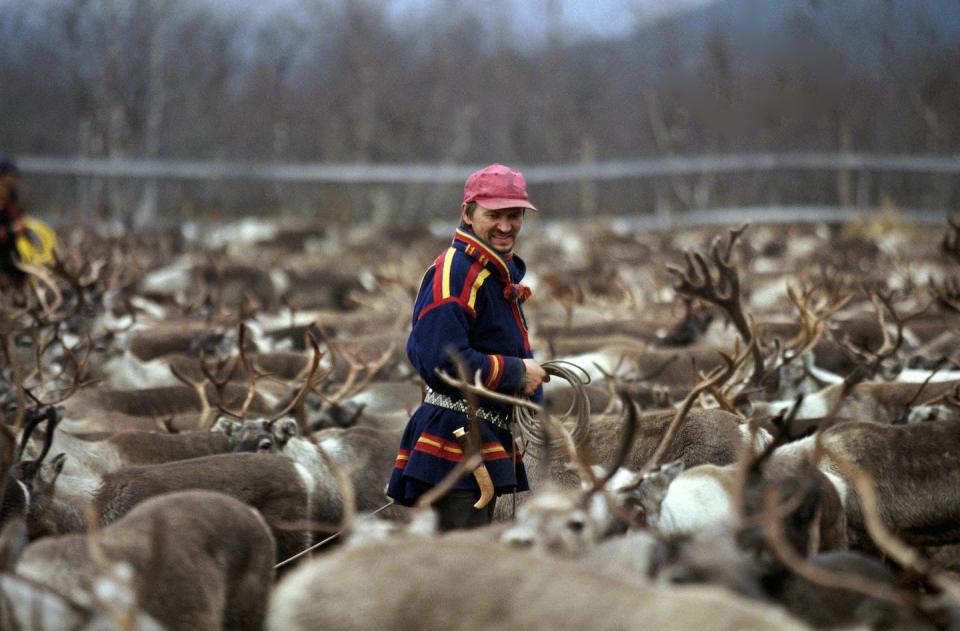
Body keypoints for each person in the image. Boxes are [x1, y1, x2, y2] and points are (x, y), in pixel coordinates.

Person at [385, 163, 549, 530]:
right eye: (494, 215)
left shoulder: (491, 272)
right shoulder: (457, 271)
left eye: (514, 215)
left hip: (479, 436)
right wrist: (518, 373)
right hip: (455, 445)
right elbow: (439, 360)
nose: (505, 226)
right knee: (461, 568)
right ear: (468, 213)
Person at [0, 158, 27, 291]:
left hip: (11, 255)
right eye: (12, 175)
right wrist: (11, 229)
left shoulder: (11, 197)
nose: (15, 180)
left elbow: (18, 217)